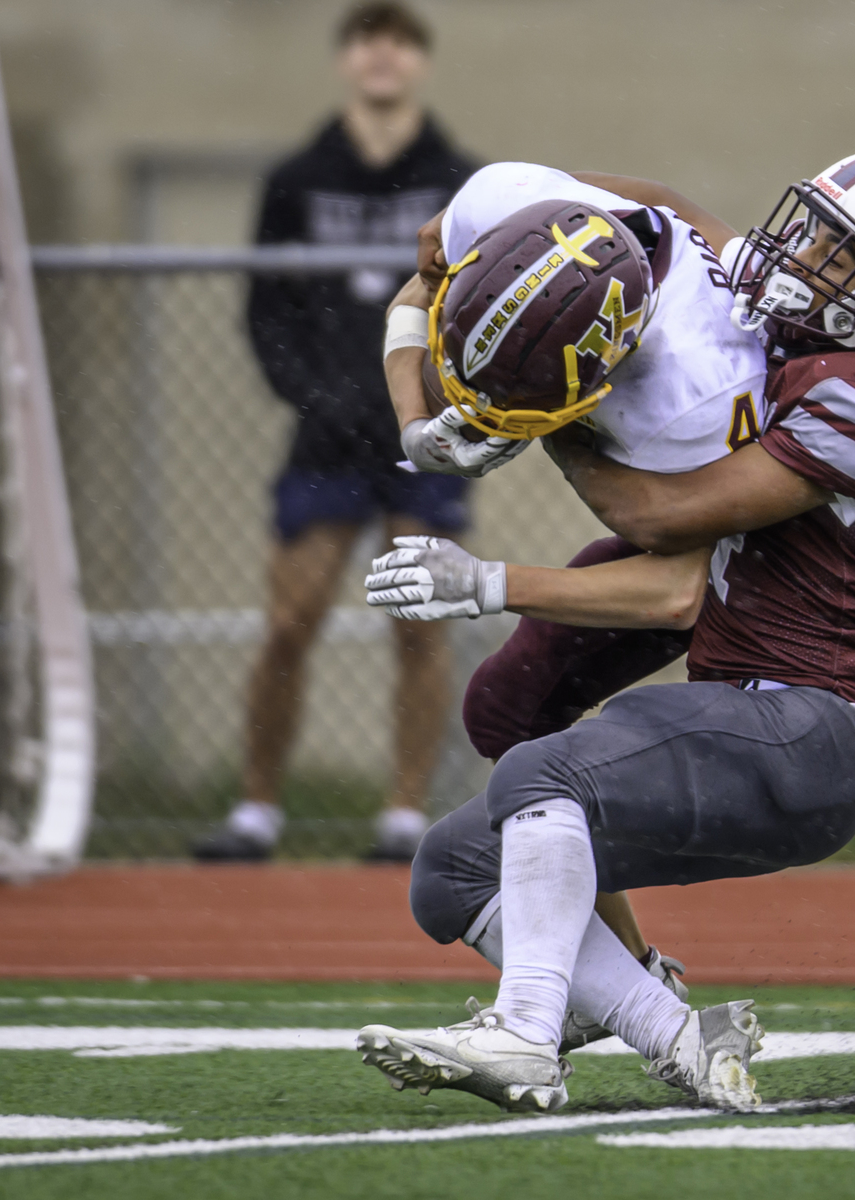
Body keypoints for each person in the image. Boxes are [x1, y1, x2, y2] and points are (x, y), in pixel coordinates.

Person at [352, 150, 855, 1114]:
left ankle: (527, 1028)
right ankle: (663, 1021)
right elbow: (659, 212)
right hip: (760, 684)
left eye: (840, 252)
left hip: (801, 713)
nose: (804, 253)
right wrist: (582, 243)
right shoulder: (793, 316)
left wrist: (546, 410)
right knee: (459, 848)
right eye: (818, 228)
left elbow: (669, 532)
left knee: (549, 773)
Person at [194, 3, 479, 863]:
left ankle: (401, 816)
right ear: (347, 60)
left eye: (399, 43)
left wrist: (439, 400)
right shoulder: (296, 178)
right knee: (289, 621)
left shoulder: (462, 181)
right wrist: (315, 395)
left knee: (420, 625)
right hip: (323, 439)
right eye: (368, 42)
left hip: (423, 436)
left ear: (419, 62)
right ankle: (256, 812)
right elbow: (265, 310)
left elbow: (485, 304)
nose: (382, 57)